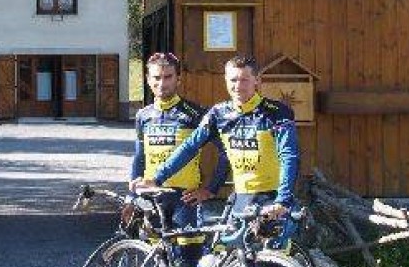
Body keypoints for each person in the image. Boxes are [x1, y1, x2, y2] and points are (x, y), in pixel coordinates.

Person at [135, 55, 300, 251]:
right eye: (233, 80)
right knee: (225, 256)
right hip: (241, 198)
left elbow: (289, 156)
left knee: (273, 257)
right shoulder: (218, 114)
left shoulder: (277, 113)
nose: (238, 86)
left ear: (257, 80)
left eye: (244, 79)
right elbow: (189, 147)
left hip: (272, 198)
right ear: (225, 81)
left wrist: (283, 199)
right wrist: (158, 177)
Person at [127, 52, 229, 267]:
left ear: (178, 79)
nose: (161, 83)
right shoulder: (143, 115)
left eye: (168, 77)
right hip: (152, 198)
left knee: (189, 261)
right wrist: (131, 196)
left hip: (185, 200)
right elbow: (139, 156)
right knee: (158, 259)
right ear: (147, 79)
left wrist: (210, 189)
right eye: (156, 78)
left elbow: (226, 152)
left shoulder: (196, 114)